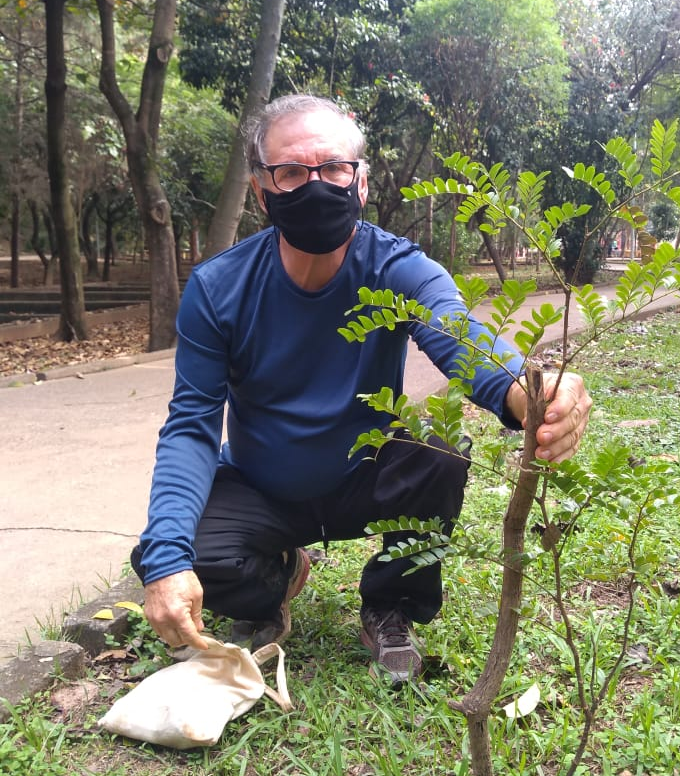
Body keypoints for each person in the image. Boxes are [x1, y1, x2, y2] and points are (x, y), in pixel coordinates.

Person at [131, 94, 592, 683]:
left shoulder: (398, 267)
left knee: (438, 455)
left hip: (367, 474)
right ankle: (275, 576)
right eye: (292, 172)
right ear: (261, 189)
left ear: (361, 183)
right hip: (262, 486)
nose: (314, 185)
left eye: (333, 168)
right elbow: (191, 427)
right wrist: (169, 562)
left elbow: (460, 338)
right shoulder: (218, 288)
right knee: (161, 552)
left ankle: (390, 603)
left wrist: (527, 391)